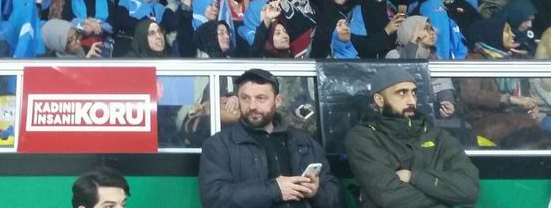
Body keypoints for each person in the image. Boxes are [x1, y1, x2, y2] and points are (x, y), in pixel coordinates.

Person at [199, 68, 341, 208]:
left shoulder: (305, 143)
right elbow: (214, 198)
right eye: (245, 98)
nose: (252, 106)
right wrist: (274, 190)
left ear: (277, 101)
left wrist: (316, 193)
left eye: (261, 98)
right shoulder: (218, 145)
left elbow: (335, 197)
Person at [345, 68, 480, 208]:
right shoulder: (364, 138)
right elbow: (389, 197)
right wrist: (446, 196)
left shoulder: (439, 137)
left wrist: (413, 177)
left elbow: (469, 190)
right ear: (379, 100)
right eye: (402, 93)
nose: (411, 101)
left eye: (414, 93)